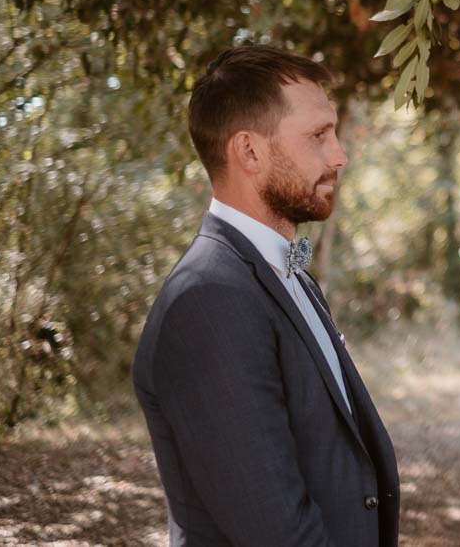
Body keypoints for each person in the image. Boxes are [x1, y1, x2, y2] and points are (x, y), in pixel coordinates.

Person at [132, 46, 400, 546]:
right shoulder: (209, 299)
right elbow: (276, 530)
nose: (339, 154)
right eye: (318, 135)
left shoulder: (284, 271)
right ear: (249, 152)